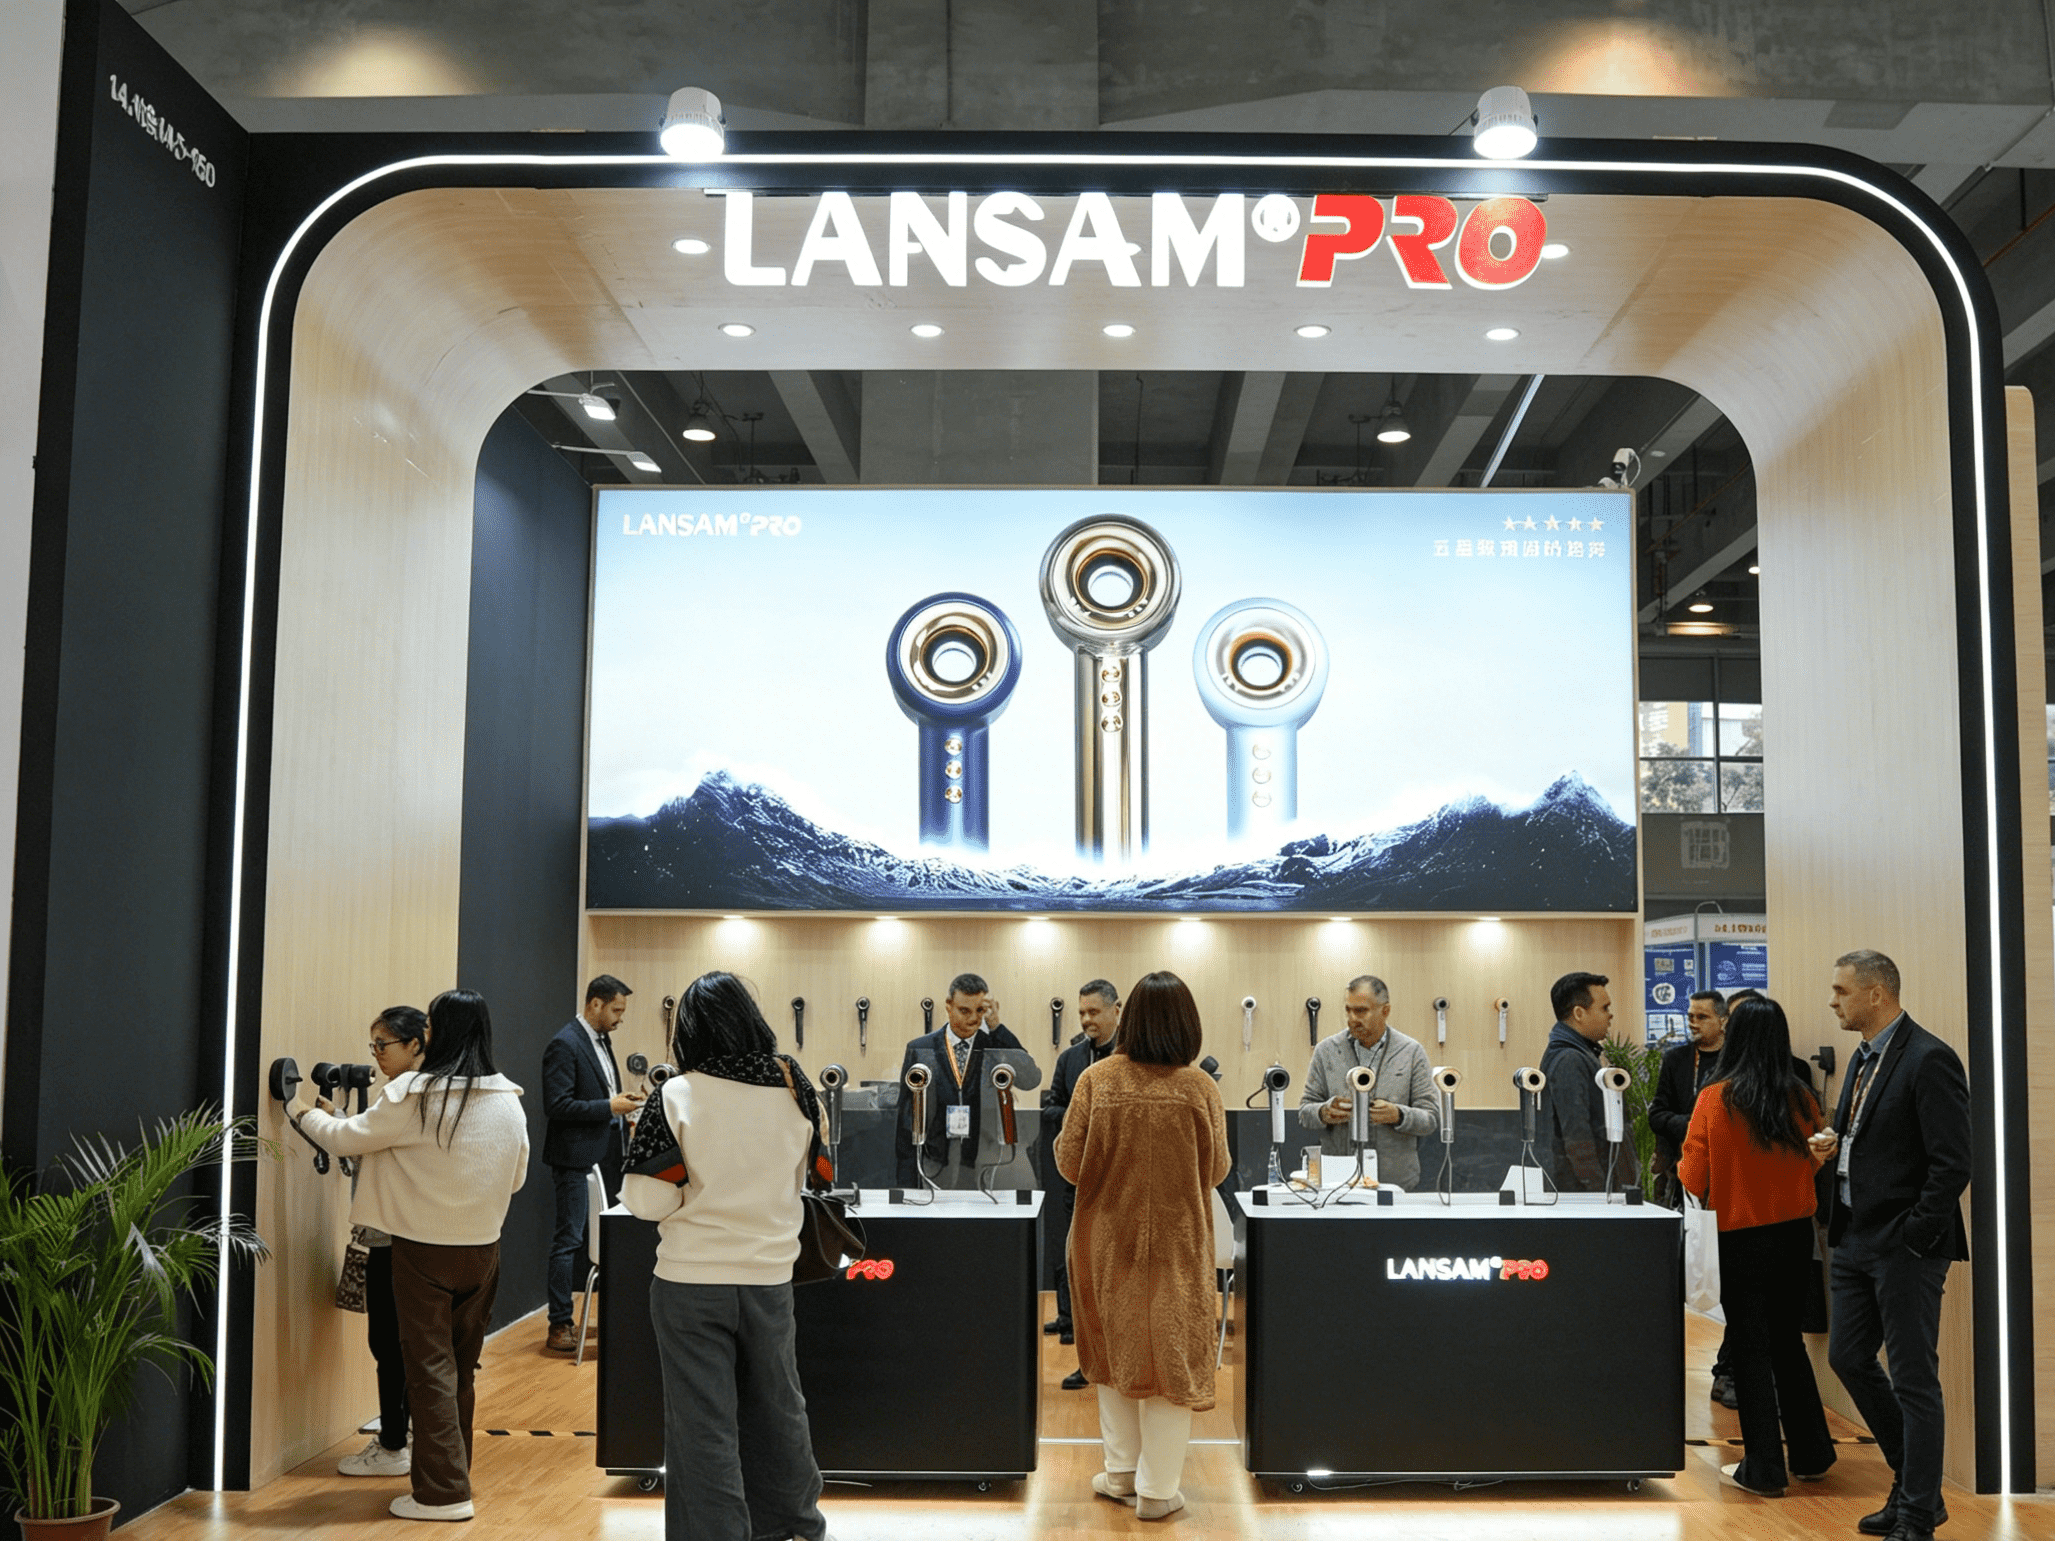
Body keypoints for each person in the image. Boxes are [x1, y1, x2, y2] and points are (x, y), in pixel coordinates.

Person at [296, 989, 529, 1522]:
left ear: (437, 1033)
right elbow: (515, 1178)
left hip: (422, 1252)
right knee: (460, 1370)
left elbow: (346, 1138)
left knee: (428, 1370)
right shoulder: (508, 1100)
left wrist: (299, 1111)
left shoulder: (415, 1095)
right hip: (484, 1251)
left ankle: (442, 1494)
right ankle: (454, 1477)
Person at [621, 971, 829, 1541]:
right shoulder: (795, 1087)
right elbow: (813, 1177)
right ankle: (793, 1527)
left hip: (690, 1281)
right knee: (780, 1411)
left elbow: (646, 1200)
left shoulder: (677, 1094)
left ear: (690, 1031)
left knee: (702, 1425)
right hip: (770, 1277)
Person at [1055, 971, 1231, 1523]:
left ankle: (1121, 1474)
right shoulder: (1200, 1087)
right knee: (1172, 1357)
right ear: (1188, 1025)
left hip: (1106, 1240)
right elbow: (1218, 1169)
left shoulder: (1097, 1080)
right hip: (1179, 1244)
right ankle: (1157, 1489)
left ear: (1127, 1019)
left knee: (1112, 1352)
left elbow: (1068, 1162)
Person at [1812, 950, 1971, 1541]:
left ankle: (1916, 1515)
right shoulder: (1863, 1057)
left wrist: (1915, 1234)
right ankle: (1915, 1488)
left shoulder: (1929, 1058)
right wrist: (1836, 1145)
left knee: (1913, 1379)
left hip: (1904, 1243)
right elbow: (1873, 1134)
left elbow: (1953, 1163)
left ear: (1876, 994)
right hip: (1855, 1233)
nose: (1833, 1000)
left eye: (1841, 991)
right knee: (1848, 1358)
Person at [1676, 995, 1835, 1498]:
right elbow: (1814, 1159)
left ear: (1735, 1036)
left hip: (1739, 1238)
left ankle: (1763, 1468)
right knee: (1788, 1341)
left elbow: (1692, 1175)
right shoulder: (1802, 1098)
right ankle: (1812, 1454)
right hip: (1794, 1236)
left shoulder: (1715, 1099)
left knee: (1749, 1346)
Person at [334, 1006, 428, 1478]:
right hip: (412, 1238)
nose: (376, 1055)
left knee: (388, 1346)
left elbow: (353, 1141)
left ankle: (393, 1444)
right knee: (404, 1347)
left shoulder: (404, 1094)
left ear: (415, 1045)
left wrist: (307, 1114)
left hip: (392, 1240)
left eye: (383, 1045)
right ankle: (403, 1437)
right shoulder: (427, 1093)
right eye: (372, 1046)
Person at [542, 975, 645, 1353]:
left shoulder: (601, 1040)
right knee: (569, 1240)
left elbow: (598, 1093)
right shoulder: (564, 1044)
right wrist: (608, 1106)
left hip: (607, 1154)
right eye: (616, 1010)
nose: (620, 1018)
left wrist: (618, 1101)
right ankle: (559, 1323)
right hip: (575, 1159)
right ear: (595, 1004)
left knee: (609, 1239)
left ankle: (608, 1316)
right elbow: (557, 1105)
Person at [1651, 989, 1740, 1407]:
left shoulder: (1736, 1061)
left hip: (1729, 1184)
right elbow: (1656, 1113)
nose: (1693, 1022)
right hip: (1684, 1179)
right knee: (1686, 1270)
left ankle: (1728, 1369)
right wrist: (1693, 1124)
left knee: (1730, 1282)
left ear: (1723, 1021)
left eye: (1702, 1016)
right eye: (1690, 1015)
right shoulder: (1677, 1060)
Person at [1041, 978, 1122, 1389]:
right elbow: (1051, 1107)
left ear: (1116, 1010)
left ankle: (1119, 1361)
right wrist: (1078, 1118)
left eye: (1094, 1012)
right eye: (1082, 1013)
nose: (1087, 1020)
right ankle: (1088, 1361)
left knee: (1117, 1278)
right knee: (1082, 1270)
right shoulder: (1071, 1059)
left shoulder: (1132, 1057)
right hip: (1080, 1179)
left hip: (1122, 1183)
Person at [893, 971, 1041, 1189]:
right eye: (964, 1010)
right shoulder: (921, 1049)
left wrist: (997, 1027)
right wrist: (905, 1184)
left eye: (979, 1011)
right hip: (935, 1160)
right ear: (948, 1005)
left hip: (983, 1161)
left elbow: (1030, 1079)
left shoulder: (994, 1046)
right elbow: (906, 1119)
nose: (972, 1019)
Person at [1296, 974, 1438, 1188]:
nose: (1352, 1018)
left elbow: (1430, 1118)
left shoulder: (1411, 1053)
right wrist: (1324, 1112)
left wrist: (1398, 1115)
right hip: (1338, 1183)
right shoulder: (1326, 1051)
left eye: (1361, 1011)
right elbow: (1305, 1112)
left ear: (1385, 1011)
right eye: (1348, 1010)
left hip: (1394, 1184)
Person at [1537, 971, 1637, 1192]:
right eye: (1604, 1008)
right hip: (1583, 1194)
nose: (1610, 1015)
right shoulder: (1569, 1060)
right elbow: (1577, 1136)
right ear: (1579, 1013)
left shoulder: (1579, 1054)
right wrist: (1599, 1190)